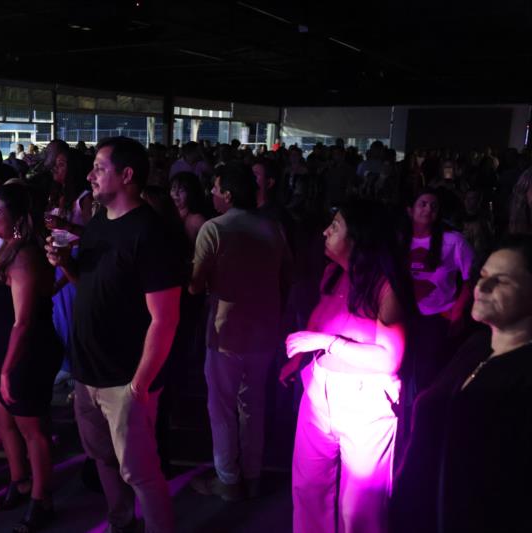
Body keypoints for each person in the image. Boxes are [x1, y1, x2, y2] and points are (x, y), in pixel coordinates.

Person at [46, 137, 182, 533]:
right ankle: (121, 523)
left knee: (140, 472)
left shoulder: (150, 233)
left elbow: (165, 319)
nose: (89, 175)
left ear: (126, 175)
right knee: (103, 459)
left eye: (99, 168)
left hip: (125, 378)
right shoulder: (100, 223)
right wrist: (65, 263)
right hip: (87, 372)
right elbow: (90, 286)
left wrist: (139, 385)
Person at [280, 199, 414, 533]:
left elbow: (389, 359)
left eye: (335, 226)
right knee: (308, 488)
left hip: (365, 404)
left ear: (358, 237)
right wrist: (298, 358)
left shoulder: (385, 286)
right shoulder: (333, 274)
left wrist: (327, 343)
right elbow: (319, 317)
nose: (325, 232)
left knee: (359, 508)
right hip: (319, 393)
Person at [391, 235, 532, 533]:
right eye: (483, 275)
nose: (482, 287)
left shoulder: (523, 373)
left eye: (502, 281)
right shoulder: (474, 347)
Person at [188, 162, 292, 501]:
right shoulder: (273, 227)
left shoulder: (214, 229)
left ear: (229, 195)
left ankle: (228, 480)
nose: (212, 193)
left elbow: (195, 284)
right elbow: (286, 276)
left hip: (226, 332)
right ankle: (253, 474)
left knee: (221, 408)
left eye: (216, 188)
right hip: (265, 330)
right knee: (253, 405)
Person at [0, 183, 63, 532]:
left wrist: (6, 370)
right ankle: (20, 481)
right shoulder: (6, 249)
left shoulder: (24, 256)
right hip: (6, 349)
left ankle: (42, 500)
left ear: (18, 219)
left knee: (32, 428)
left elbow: (23, 322)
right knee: (2, 417)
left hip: (27, 352)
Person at [407, 188, 475, 390]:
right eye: (423, 204)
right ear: (410, 210)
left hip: (439, 318)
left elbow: (471, 278)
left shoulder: (453, 241)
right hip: (407, 317)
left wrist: (457, 312)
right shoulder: (400, 240)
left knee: (430, 377)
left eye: (434, 206)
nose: (428, 209)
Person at [169, 171, 206, 246]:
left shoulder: (197, 220)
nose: (176, 194)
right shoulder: (168, 213)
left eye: (181, 190)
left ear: (191, 193)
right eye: (173, 188)